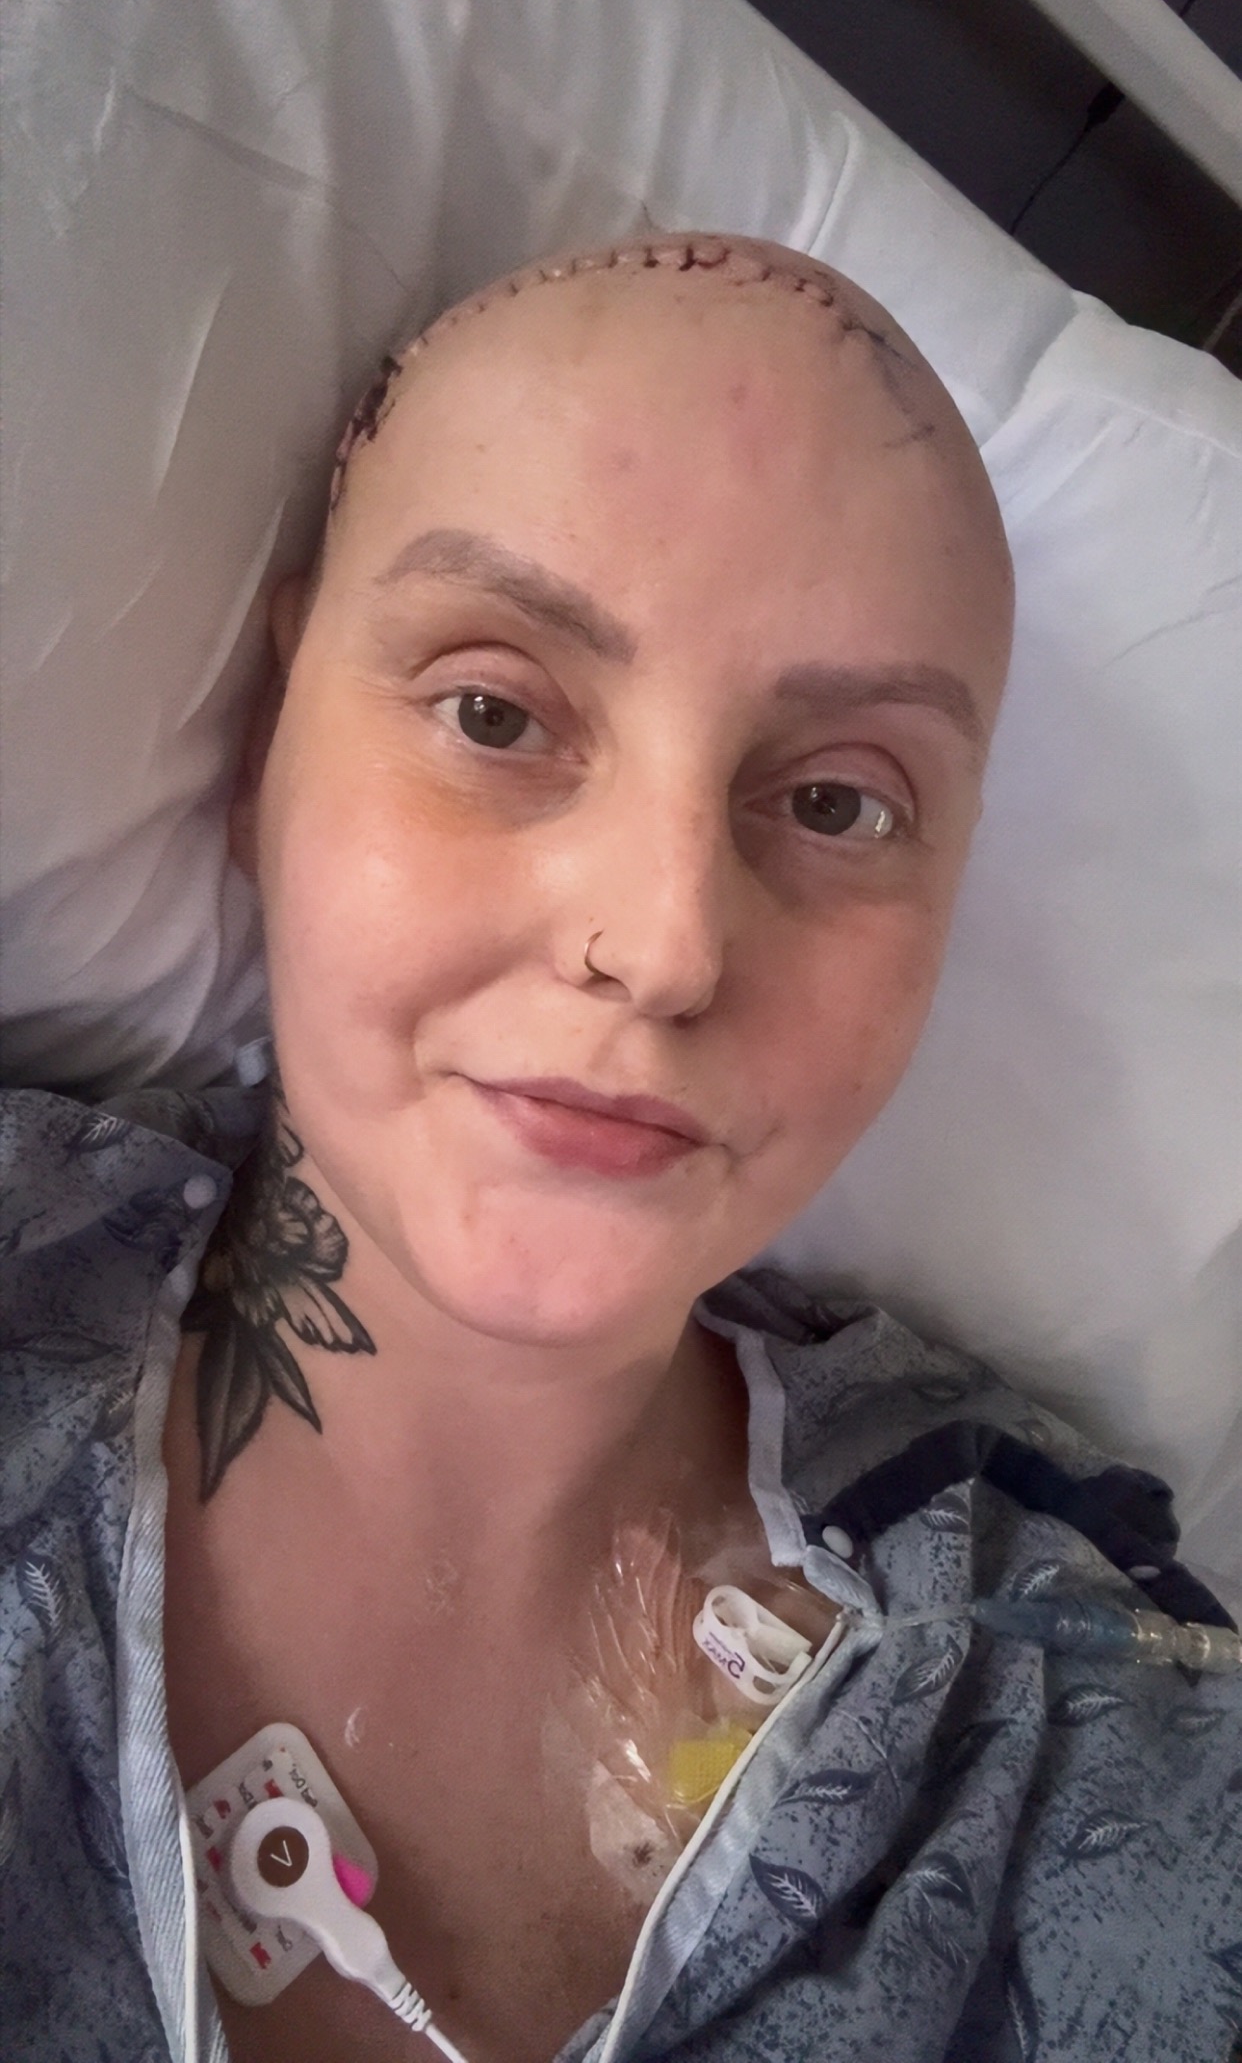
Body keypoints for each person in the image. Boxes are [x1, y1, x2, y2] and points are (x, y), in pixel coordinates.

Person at [2, 235, 1237, 2063]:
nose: (663, 945)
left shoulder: (1071, 1718)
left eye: (838, 801)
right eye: (493, 714)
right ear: (269, 747)